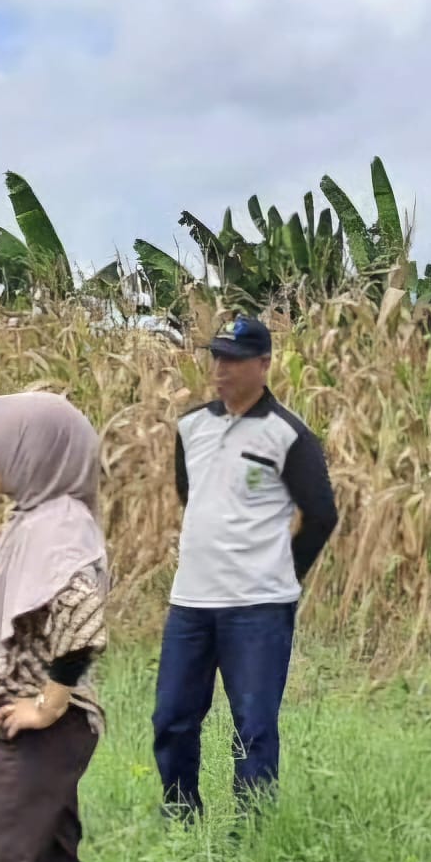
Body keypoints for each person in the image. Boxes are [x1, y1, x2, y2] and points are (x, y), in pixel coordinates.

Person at [152, 315, 339, 820]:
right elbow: (191, 497)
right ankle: (180, 822)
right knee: (172, 718)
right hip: (191, 604)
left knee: (253, 725)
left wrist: (282, 573)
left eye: (234, 360)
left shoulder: (289, 435)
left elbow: (321, 515)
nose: (221, 368)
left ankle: (252, 835)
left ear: (264, 364)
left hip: (258, 608)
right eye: (217, 357)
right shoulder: (191, 427)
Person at [0, 391, 113, 862]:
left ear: (36, 453)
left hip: (39, 736)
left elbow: (81, 618)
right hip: (57, 735)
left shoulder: (57, 526)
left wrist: (48, 705)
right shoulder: (45, 518)